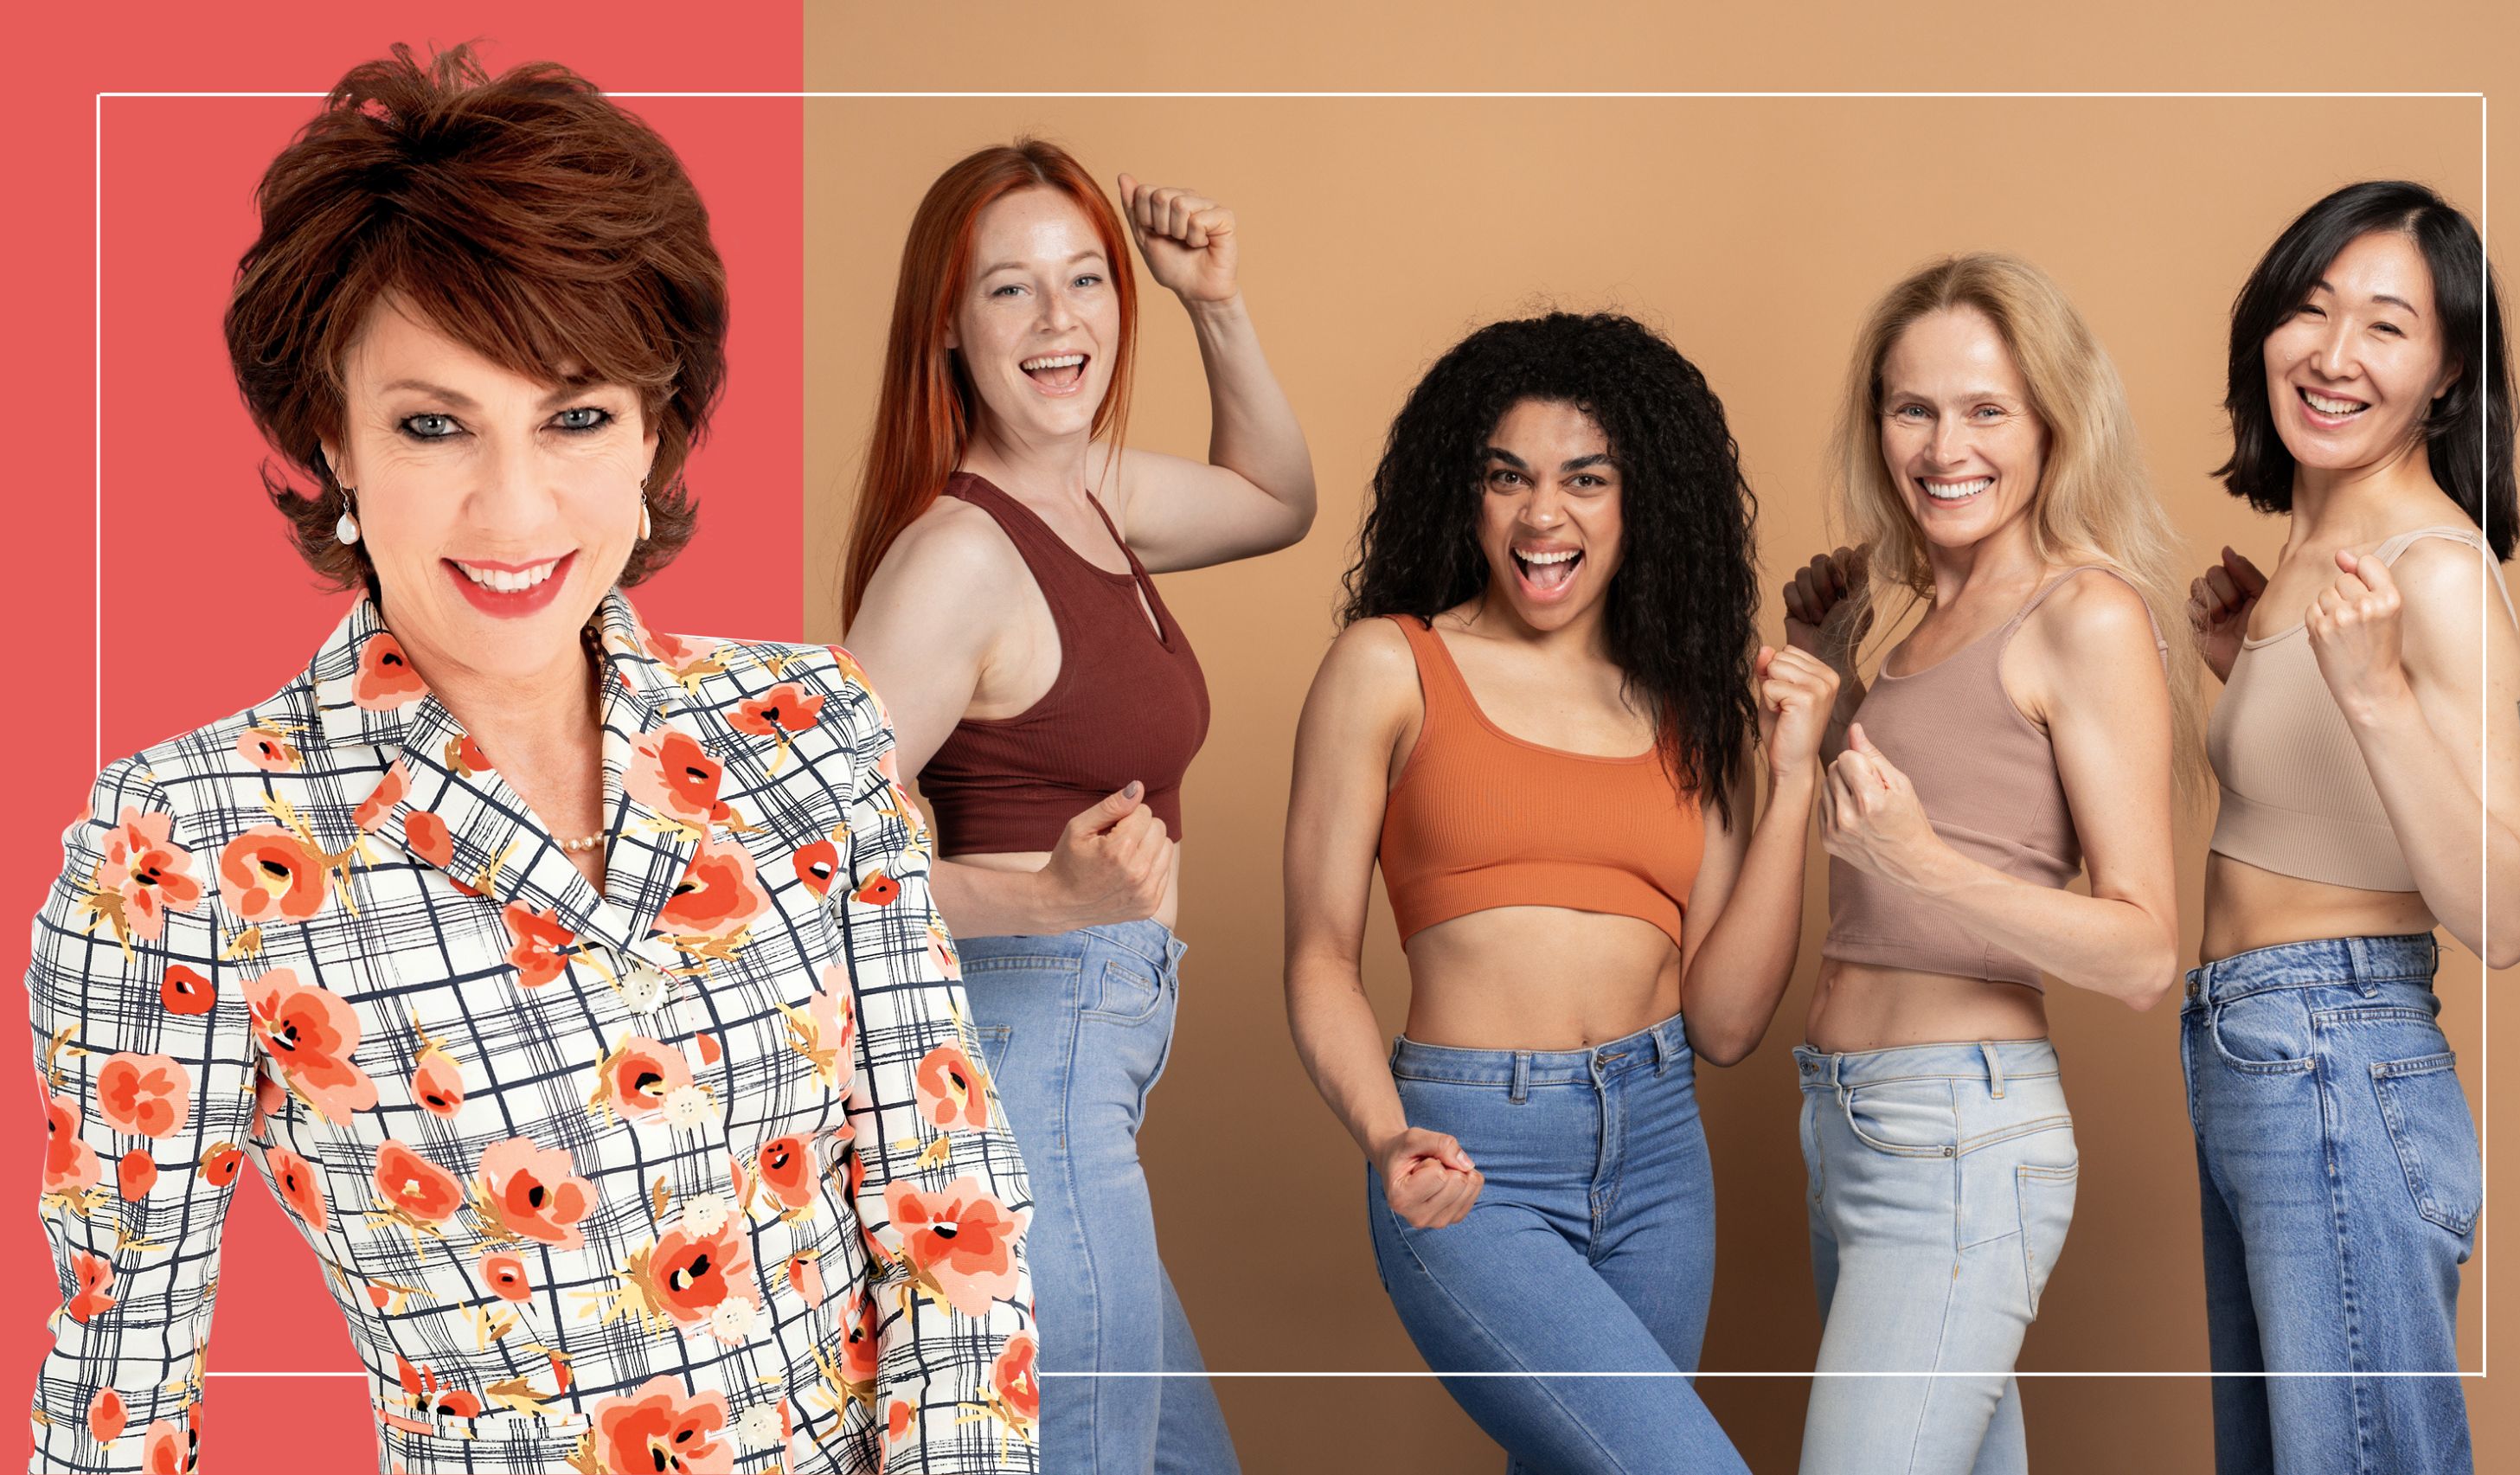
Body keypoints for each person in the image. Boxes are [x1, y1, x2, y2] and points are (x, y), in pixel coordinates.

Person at [27, 47, 1034, 1475]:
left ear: (654, 435)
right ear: (336, 439)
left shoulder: (808, 728)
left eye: (575, 417)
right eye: (434, 423)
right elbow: (122, 1375)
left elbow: (954, 1220)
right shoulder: (184, 850)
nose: (514, 507)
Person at [1284, 311, 1838, 1474]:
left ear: (1643, 501)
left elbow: (1727, 1021)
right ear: (1465, 495)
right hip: (1469, 1150)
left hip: (1658, 1154)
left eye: (1586, 479)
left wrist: (1791, 782)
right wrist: (1390, 1139)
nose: (1544, 516)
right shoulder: (1391, 665)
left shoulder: (1690, 705)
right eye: (1509, 479)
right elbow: (1321, 959)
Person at [836, 139, 1313, 1474]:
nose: (1060, 322)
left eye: (1086, 279)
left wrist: (1217, 298)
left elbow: (1279, 500)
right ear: (947, 324)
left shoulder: (1093, 491)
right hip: (1025, 1051)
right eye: (1010, 290)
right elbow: (796, 863)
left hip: (1086, 1057)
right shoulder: (960, 555)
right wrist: (1045, 897)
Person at [1778, 253, 2199, 1475]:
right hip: (1847, 1127)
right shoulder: (1913, 622)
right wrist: (1831, 659)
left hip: (1957, 1140)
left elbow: (2142, 949)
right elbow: (1885, 867)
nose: (1944, 445)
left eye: (1986, 410)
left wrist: (1927, 861)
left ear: (2051, 425)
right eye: (1914, 408)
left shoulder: (2085, 614)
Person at [2180, 180, 2520, 1475]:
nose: (2334, 354)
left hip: (2335, 1050)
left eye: (2387, 326)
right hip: (2256, 1049)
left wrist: (2377, 695)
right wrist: (2251, 671)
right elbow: (2341, 821)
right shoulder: (2316, 554)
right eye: (2310, 309)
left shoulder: (2434, 569)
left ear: (2446, 377)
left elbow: (2506, 907)